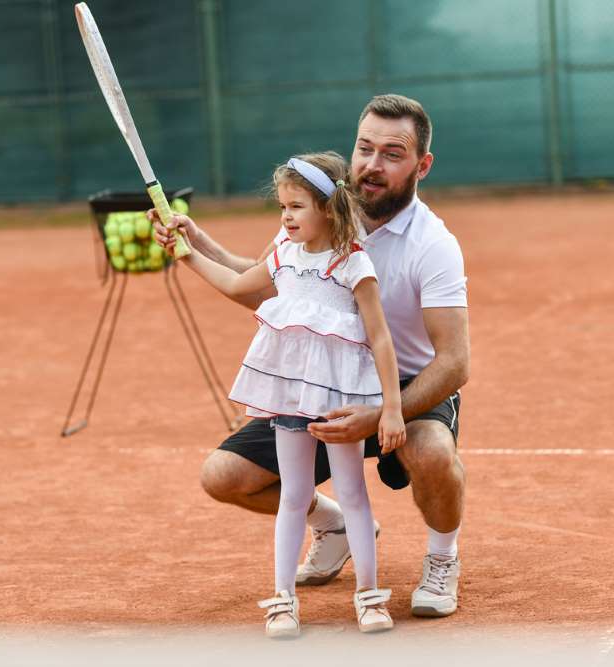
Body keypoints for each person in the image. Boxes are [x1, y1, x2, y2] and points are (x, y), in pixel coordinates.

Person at [153, 94, 469, 621]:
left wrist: (384, 412)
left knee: (433, 452)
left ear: (422, 166)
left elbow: (454, 362)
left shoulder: (432, 244)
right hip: (320, 382)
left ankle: (442, 557)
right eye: (365, 148)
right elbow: (266, 285)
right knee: (223, 475)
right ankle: (334, 525)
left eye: (393, 153)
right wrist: (195, 242)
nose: (372, 164)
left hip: (401, 384)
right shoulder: (316, 215)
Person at [170, 152, 405, 637]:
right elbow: (236, 283)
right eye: (282, 207)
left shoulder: (352, 262)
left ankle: (369, 597)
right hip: (290, 397)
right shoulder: (283, 257)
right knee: (294, 496)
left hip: (342, 400)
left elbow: (381, 338)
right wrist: (187, 253)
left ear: (328, 208)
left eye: (296, 207)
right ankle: (282, 601)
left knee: (353, 493)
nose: (286, 217)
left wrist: (391, 410)